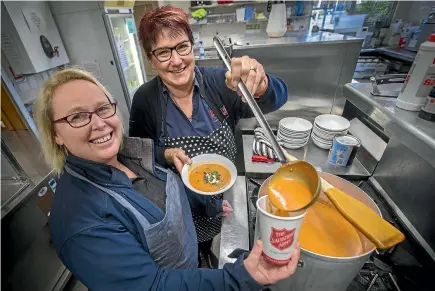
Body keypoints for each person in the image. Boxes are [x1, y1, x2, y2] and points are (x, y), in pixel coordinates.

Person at [33, 68, 300, 291]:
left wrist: (206, 203)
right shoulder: (81, 222)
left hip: (190, 270)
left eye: (103, 108)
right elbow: (153, 286)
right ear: (55, 133)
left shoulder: (127, 154)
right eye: (77, 116)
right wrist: (243, 277)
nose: (99, 123)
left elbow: (163, 192)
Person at [129, 6, 288, 267]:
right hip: (179, 207)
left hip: (225, 197)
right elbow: (138, 155)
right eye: (163, 52)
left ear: (193, 46)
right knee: (191, 252)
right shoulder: (145, 100)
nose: (177, 60)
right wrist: (166, 154)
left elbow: (278, 97)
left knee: (223, 249)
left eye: (182, 47)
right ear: (151, 59)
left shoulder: (221, 83)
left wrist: (262, 84)